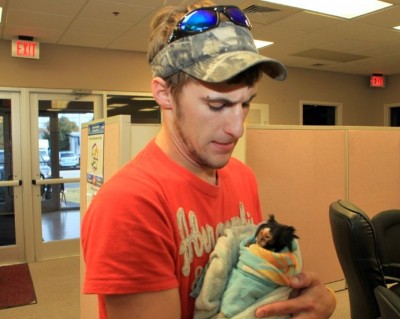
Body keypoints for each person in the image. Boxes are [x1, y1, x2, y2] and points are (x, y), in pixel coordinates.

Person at [81, 1, 336, 318]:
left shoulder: (241, 176)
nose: (237, 128)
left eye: (244, 104)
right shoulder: (128, 205)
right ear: (163, 93)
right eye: (217, 105)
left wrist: (304, 299)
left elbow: (248, 281)